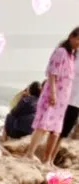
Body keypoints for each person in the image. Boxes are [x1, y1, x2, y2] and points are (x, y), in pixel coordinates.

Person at [27, 27, 79, 164]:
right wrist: (53, 93)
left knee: (55, 129)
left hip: (64, 97)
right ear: (71, 36)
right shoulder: (61, 51)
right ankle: (30, 153)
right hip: (54, 93)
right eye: (78, 39)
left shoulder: (72, 55)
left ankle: (44, 158)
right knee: (43, 125)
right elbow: (52, 73)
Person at [46, 47, 79, 162]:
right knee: (54, 129)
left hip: (75, 102)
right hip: (62, 97)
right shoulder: (71, 55)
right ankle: (47, 158)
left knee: (63, 132)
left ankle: (51, 159)